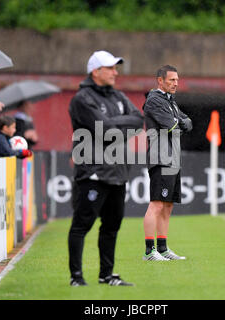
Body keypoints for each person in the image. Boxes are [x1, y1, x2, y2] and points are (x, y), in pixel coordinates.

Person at [68, 50, 144, 286]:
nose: (115, 72)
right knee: (82, 225)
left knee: (112, 226)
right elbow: (104, 130)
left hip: (118, 172)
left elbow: (138, 120)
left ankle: (106, 275)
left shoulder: (119, 96)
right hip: (93, 171)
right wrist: (119, 127)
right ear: (96, 72)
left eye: (115, 67)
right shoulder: (82, 99)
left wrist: (115, 126)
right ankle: (77, 277)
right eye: (110, 68)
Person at [142, 65, 192, 261]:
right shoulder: (154, 100)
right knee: (156, 204)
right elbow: (171, 125)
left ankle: (162, 248)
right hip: (160, 157)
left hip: (172, 157)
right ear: (160, 81)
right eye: (171, 80)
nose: (176, 83)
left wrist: (180, 122)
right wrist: (179, 122)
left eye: (177, 80)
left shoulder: (170, 101)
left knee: (168, 205)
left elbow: (187, 122)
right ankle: (149, 251)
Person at [0, 115, 32, 262]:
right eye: (13, 127)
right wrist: (21, 153)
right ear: (5, 128)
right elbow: (9, 153)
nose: (15, 130)